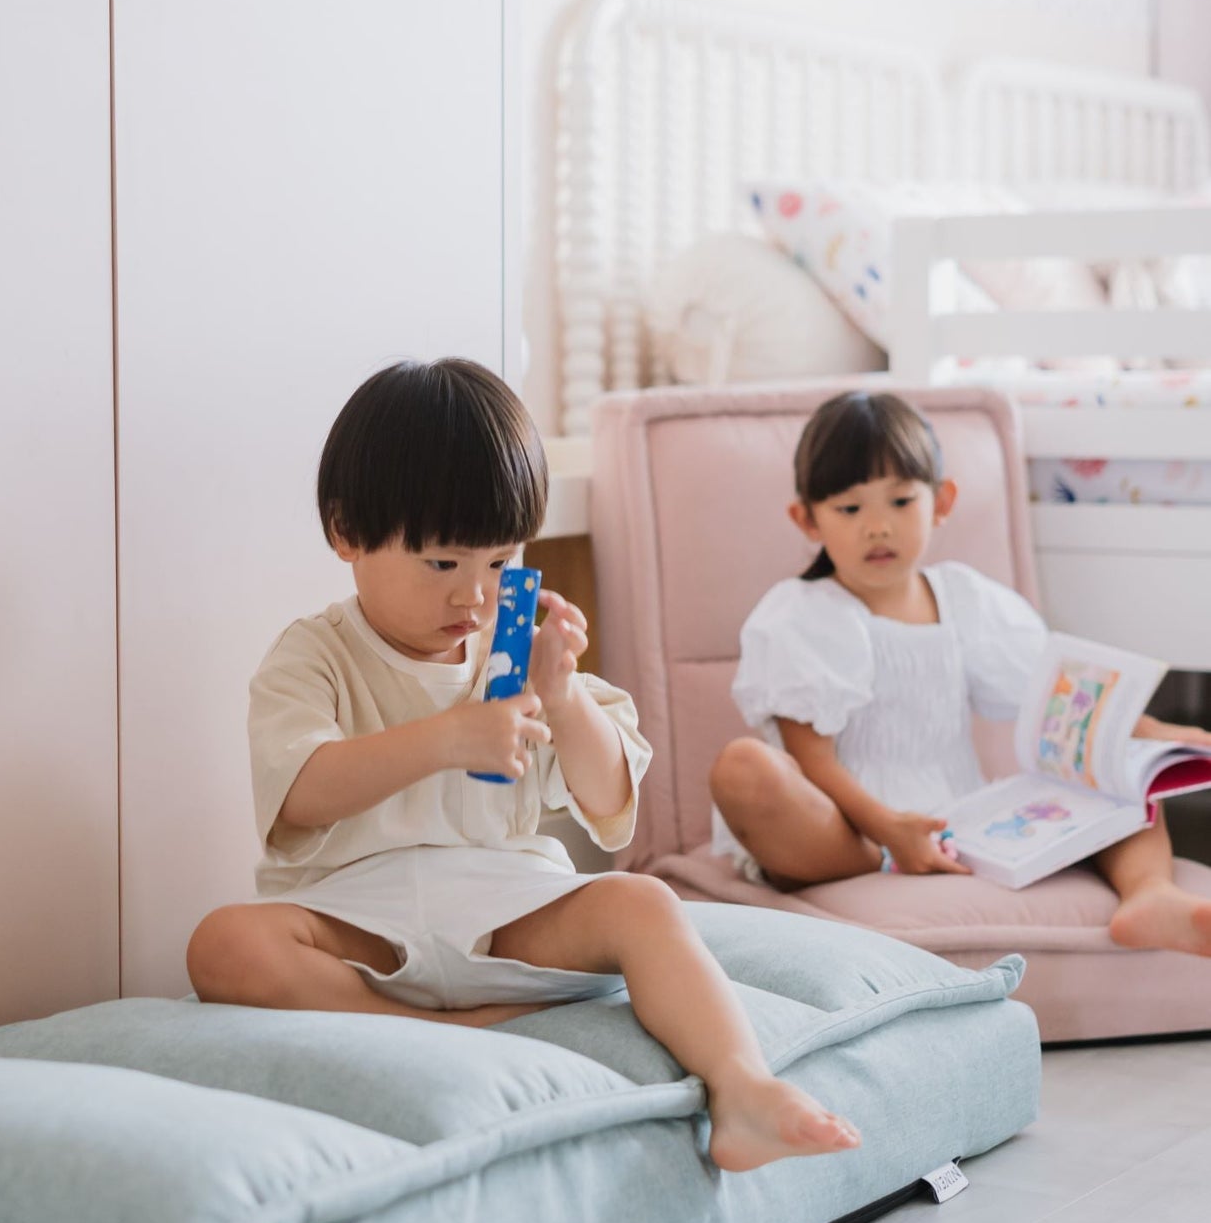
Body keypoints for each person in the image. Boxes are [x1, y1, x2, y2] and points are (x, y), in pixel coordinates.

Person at [187, 357, 860, 1172]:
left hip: (501, 915)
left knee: (643, 902)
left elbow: (612, 800)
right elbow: (301, 795)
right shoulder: (312, 656)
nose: (473, 596)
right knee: (223, 945)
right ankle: (451, 1034)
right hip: (357, 925)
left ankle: (743, 1089)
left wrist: (564, 697)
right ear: (346, 532)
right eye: (443, 563)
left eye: (500, 562)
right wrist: (444, 740)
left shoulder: (515, 652)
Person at [709, 390, 1211, 956]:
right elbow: (811, 760)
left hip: (963, 819)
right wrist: (888, 826)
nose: (878, 528)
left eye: (900, 502)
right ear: (808, 519)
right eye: (850, 510)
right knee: (743, 769)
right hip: (848, 833)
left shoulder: (966, 598)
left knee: (1121, 767)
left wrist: (1157, 736)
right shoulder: (801, 612)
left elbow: (1062, 703)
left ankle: (1149, 894)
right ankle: (866, 852)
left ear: (941, 502)